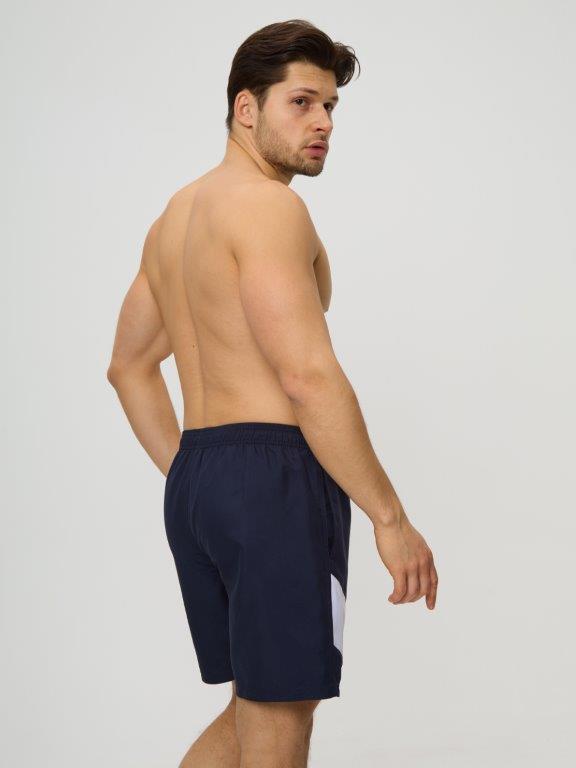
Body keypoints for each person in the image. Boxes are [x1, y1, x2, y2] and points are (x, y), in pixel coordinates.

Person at [107, 18, 438, 768]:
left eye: (331, 107)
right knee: (280, 716)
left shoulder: (173, 219)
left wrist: (193, 471)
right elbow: (306, 374)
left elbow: (128, 366)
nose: (324, 123)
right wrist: (390, 518)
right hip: (274, 478)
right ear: (246, 107)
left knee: (259, 703)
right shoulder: (268, 207)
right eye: (302, 102)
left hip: (203, 478)